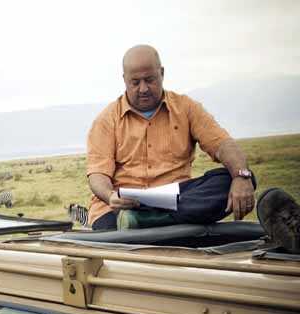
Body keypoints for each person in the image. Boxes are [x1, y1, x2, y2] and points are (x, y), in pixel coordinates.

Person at [86, 44, 256, 231]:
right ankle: (158, 221)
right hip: (122, 207)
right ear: (124, 80)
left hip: (176, 199)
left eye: (149, 79)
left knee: (235, 177)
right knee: (109, 229)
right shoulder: (106, 120)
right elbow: (98, 175)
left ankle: (146, 220)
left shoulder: (186, 108)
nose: (143, 89)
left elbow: (223, 144)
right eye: (135, 82)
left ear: (162, 73)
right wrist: (111, 196)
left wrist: (241, 177)